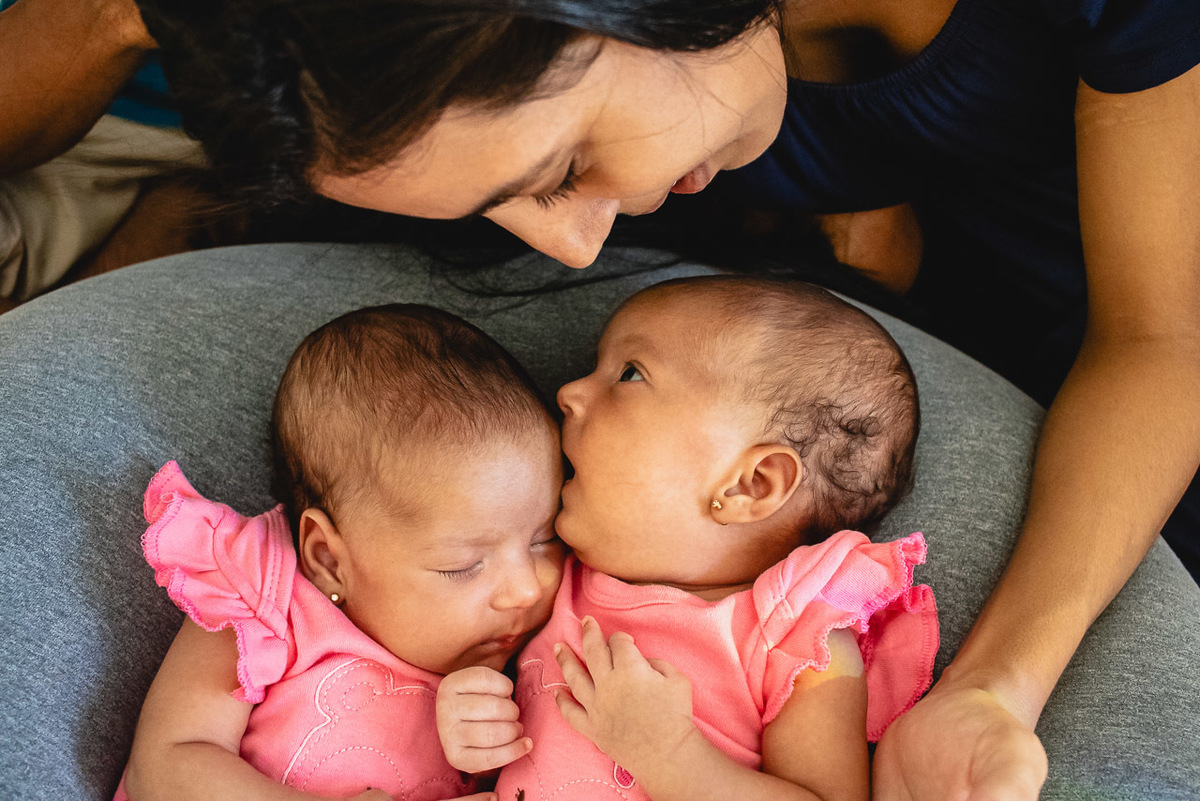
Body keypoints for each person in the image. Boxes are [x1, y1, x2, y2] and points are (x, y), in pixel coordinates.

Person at [7, 0, 1198, 796]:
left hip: (1113, 319)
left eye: (566, 168)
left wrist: (997, 685)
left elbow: (1166, 334)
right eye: (506, 204)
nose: (575, 252)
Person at [431, 276, 939, 801]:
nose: (569, 393)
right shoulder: (549, 570)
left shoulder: (798, 640)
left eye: (630, 373)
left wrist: (668, 753)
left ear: (750, 485)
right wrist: (470, 715)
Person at [116, 303, 565, 800]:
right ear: (329, 560)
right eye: (462, 565)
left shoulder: (524, 661)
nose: (527, 587)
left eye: (545, 538)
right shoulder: (261, 595)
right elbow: (164, 765)